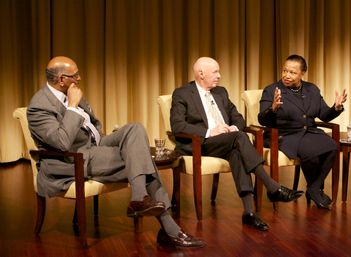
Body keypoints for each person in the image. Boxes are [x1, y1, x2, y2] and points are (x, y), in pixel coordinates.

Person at [27, 56, 205, 248]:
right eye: (75, 75)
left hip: (95, 145)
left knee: (135, 128)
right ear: (61, 79)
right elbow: (61, 142)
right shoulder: (39, 106)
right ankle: (169, 230)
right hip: (72, 158)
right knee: (140, 158)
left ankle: (139, 199)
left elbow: (93, 125)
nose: (79, 79)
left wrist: (107, 136)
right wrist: (71, 107)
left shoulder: (72, 92)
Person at [170, 57, 304, 231]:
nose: (219, 76)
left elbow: (238, 118)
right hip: (199, 143)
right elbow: (177, 126)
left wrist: (232, 127)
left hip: (226, 141)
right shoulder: (183, 93)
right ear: (201, 74)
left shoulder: (221, 92)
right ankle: (272, 187)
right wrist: (211, 131)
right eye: (215, 72)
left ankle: (249, 213)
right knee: (240, 138)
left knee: (237, 152)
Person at [258, 54, 347, 210]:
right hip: (284, 135)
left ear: (302, 73)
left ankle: (313, 188)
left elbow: (324, 114)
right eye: (284, 71)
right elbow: (262, 120)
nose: (286, 75)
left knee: (333, 147)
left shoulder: (312, 89)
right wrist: (272, 109)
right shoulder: (272, 90)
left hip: (310, 132)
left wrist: (336, 107)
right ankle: (316, 190)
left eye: (292, 72)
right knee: (311, 152)